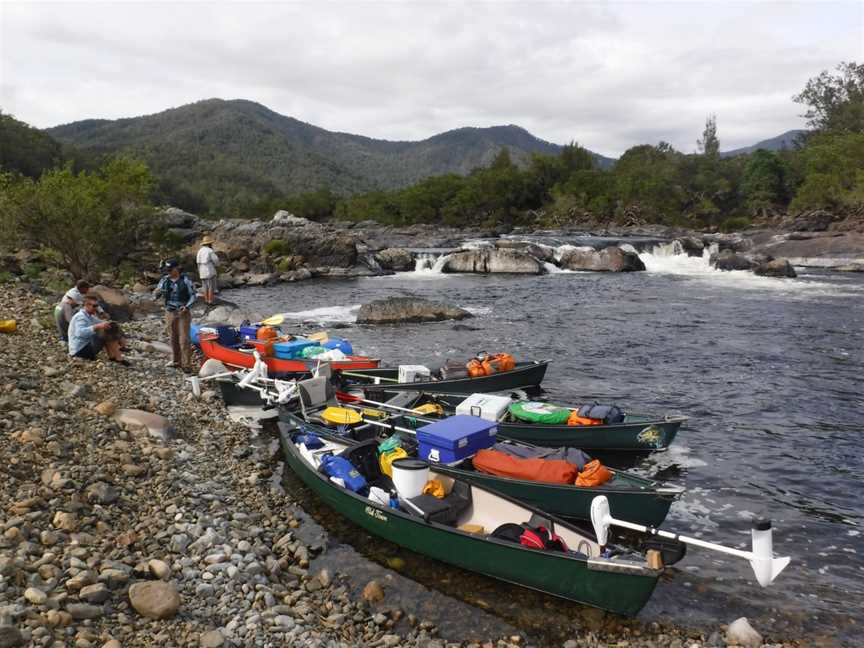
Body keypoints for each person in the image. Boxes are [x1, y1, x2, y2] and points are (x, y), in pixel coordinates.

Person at [153, 259, 197, 372]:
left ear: (176, 268)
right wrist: (157, 293)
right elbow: (156, 294)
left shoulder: (186, 280)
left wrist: (187, 306)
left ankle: (186, 364)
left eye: (170, 270)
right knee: (173, 337)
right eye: (167, 270)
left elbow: (193, 295)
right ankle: (176, 361)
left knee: (184, 338)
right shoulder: (164, 280)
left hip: (183, 312)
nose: (168, 272)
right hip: (169, 311)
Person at [67, 295, 129, 365]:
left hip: (84, 347)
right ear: (86, 305)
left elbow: (101, 322)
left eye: (96, 306)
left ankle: (113, 356)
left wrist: (108, 322)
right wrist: (97, 326)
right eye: (94, 306)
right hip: (79, 351)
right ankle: (119, 357)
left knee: (109, 327)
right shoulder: (81, 317)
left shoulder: (88, 315)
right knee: (106, 332)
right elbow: (80, 333)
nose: (96, 308)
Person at [196, 235, 220, 305]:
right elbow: (216, 260)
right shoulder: (210, 250)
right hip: (209, 269)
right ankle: (210, 300)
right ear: (209, 244)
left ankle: (206, 300)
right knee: (210, 287)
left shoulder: (199, 251)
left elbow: (197, 262)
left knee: (204, 286)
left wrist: (199, 271)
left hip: (201, 270)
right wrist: (217, 265)